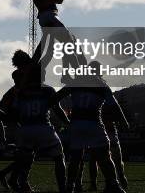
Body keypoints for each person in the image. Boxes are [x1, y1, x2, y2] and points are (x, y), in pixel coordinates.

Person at [53, 64, 127, 193]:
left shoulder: (76, 82)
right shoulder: (101, 85)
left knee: (75, 158)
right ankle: (113, 184)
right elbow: (115, 106)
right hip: (94, 123)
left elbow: (55, 98)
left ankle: (70, 186)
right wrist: (124, 121)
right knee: (105, 156)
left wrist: (64, 119)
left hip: (76, 124)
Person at [14, 65, 69, 193]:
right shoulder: (48, 90)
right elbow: (57, 109)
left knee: (26, 158)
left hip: (26, 128)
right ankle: (62, 188)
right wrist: (67, 122)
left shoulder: (22, 91)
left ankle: (23, 184)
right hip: (43, 127)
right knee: (59, 158)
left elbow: (16, 111)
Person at [28, 0, 84, 83]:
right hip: (48, 16)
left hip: (48, 17)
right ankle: (76, 74)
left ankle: (37, 71)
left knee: (50, 50)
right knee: (69, 40)